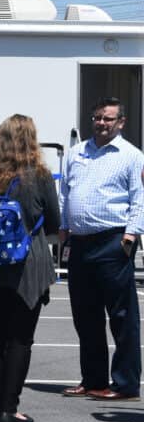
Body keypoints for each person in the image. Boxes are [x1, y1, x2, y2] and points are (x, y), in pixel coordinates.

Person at [0, 115, 61, 422]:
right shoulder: (39, 176)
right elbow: (55, 222)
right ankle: (10, 408)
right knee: (20, 339)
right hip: (27, 267)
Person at [59, 97, 144, 402]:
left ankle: (125, 384)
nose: (101, 123)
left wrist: (130, 236)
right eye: (97, 118)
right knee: (86, 315)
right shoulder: (76, 153)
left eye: (108, 119)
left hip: (113, 241)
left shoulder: (131, 156)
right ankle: (93, 380)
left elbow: (139, 198)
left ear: (121, 122)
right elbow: (65, 193)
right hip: (80, 242)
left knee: (121, 315)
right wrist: (64, 229)